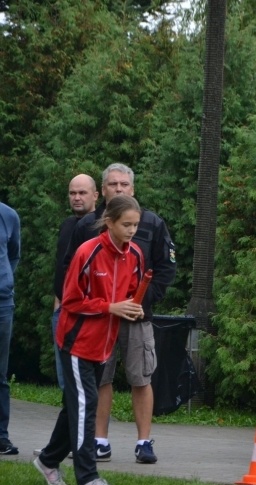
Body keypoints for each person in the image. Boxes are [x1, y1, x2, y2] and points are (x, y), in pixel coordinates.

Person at [64, 163, 176, 464]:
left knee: (141, 377)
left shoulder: (151, 223)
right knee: (102, 377)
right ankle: (99, 440)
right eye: (112, 185)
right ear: (102, 190)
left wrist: (140, 301)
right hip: (99, 319)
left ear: (133, 189)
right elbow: (69, 274)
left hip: (138, 317)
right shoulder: (87, 225)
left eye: (124, 185)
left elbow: (165, 268)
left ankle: (144, 442)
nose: (118, 189)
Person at [33, 195, 145, 485]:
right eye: (126, 225)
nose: (132, 230)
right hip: (76, 341)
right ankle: (88, 478)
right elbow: (70, 300)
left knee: (75, 406)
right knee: (86, 405)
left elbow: (131, 294)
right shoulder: (88, 251)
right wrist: (110, 307)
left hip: (103, 346)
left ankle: (47, 461)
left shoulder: (134, 255)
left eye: (136, 225)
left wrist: (134, 307)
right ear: (108, 221)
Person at [52, 174, 99, 390]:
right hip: (62, 312)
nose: (77, 198)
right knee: (66, 383)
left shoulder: (100, 228)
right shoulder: (67, 225)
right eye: (72, 193)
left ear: (96, 195)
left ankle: (89, 424)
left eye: (82, 193)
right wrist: (57, 306)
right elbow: (61, 268)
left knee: (84, 385)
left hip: (88, 314)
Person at [0, 201, 20, 456]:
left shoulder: (8, 215)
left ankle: (1, 436)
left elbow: (13, 255)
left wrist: (5, 281)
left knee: (0, 374)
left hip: (2, 303)